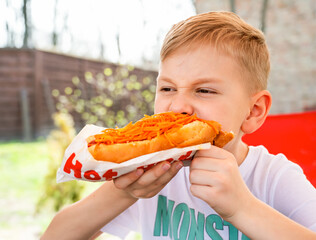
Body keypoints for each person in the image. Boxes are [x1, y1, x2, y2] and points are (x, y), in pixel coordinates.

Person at [41, 12, 316, 240]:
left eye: (204, 91)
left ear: (253, 111)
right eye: (168, 88)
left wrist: (242, 208)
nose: (178, 106)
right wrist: (125, 192)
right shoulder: (151, 174)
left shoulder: (274, 177)